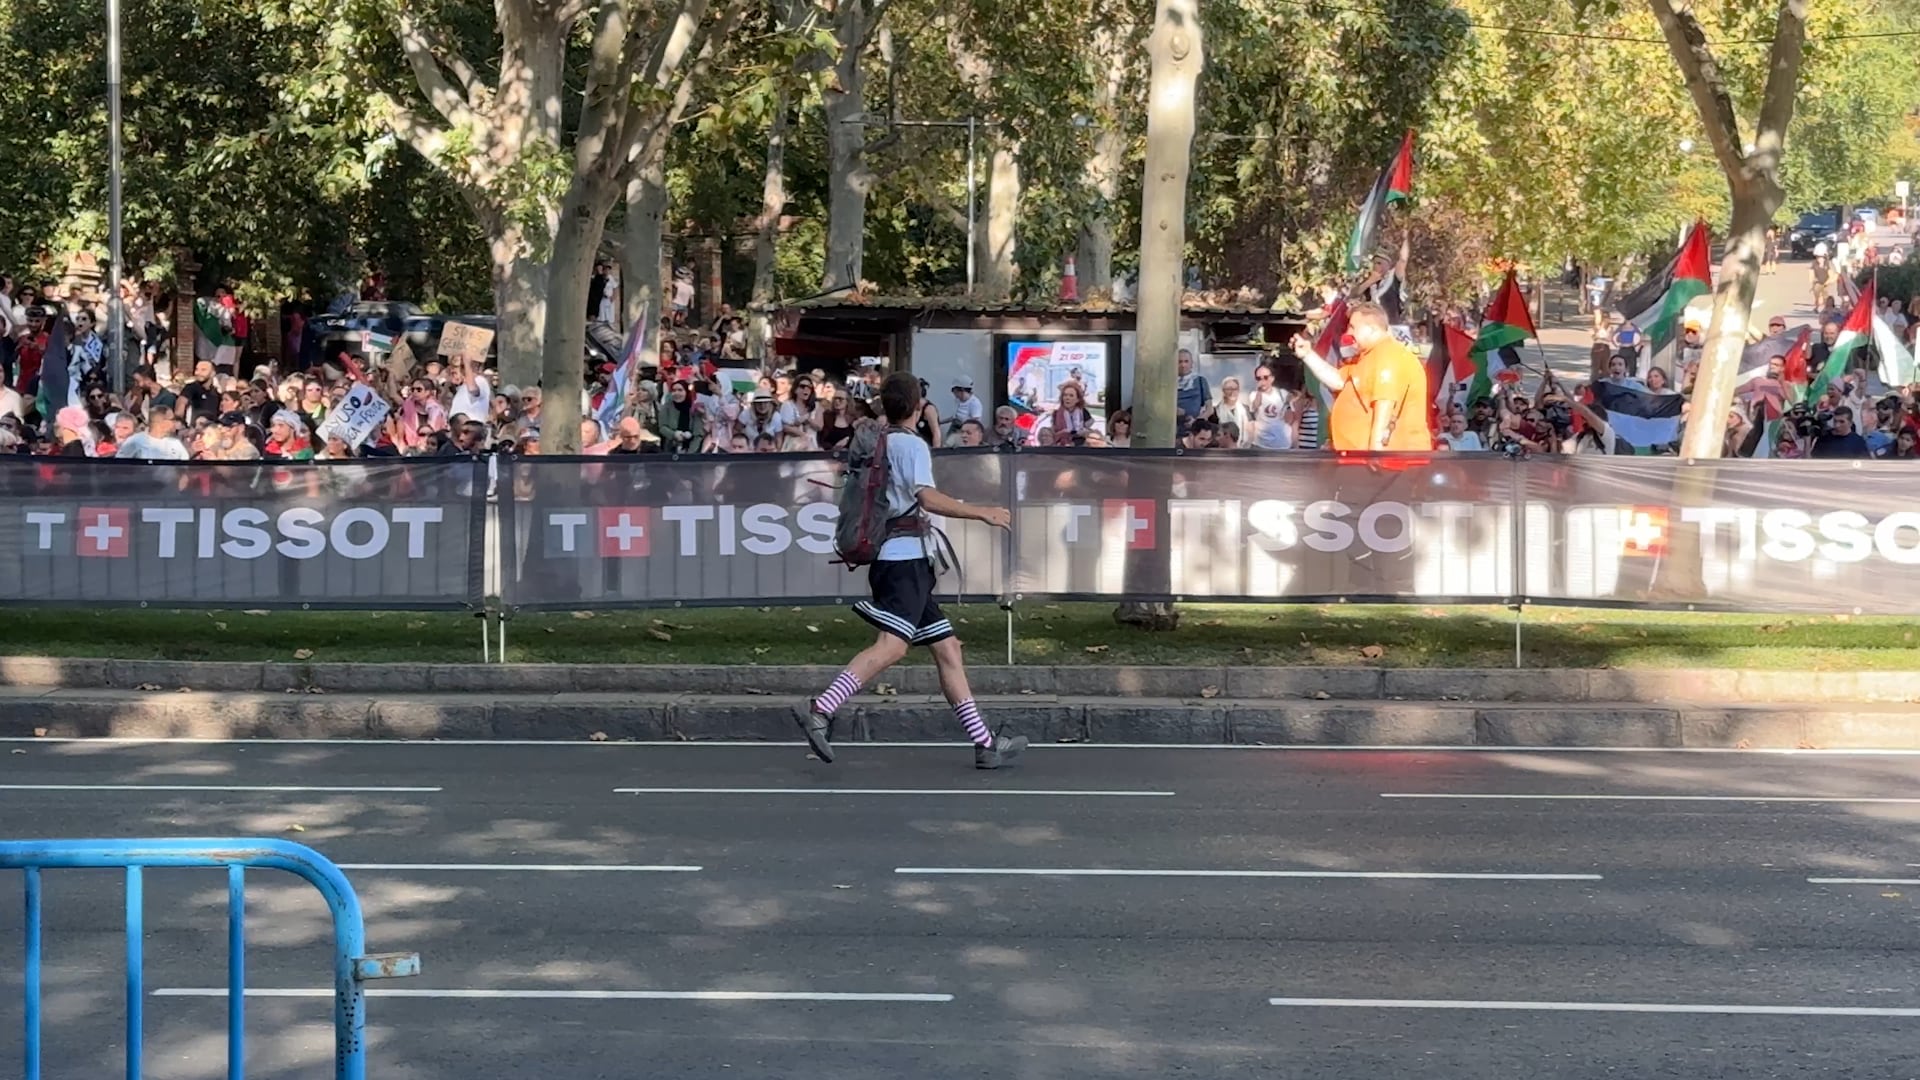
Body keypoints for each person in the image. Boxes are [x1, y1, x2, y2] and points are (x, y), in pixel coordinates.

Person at [798, 372, 1025, 770]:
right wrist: (982, 512)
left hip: (899, 559)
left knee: (948, 648)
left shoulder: (876, 441)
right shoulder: (911, 445)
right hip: (905, 562)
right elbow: (927, 497)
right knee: (892, 646)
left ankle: (986, 743)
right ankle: (821, 708)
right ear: (919, 407)